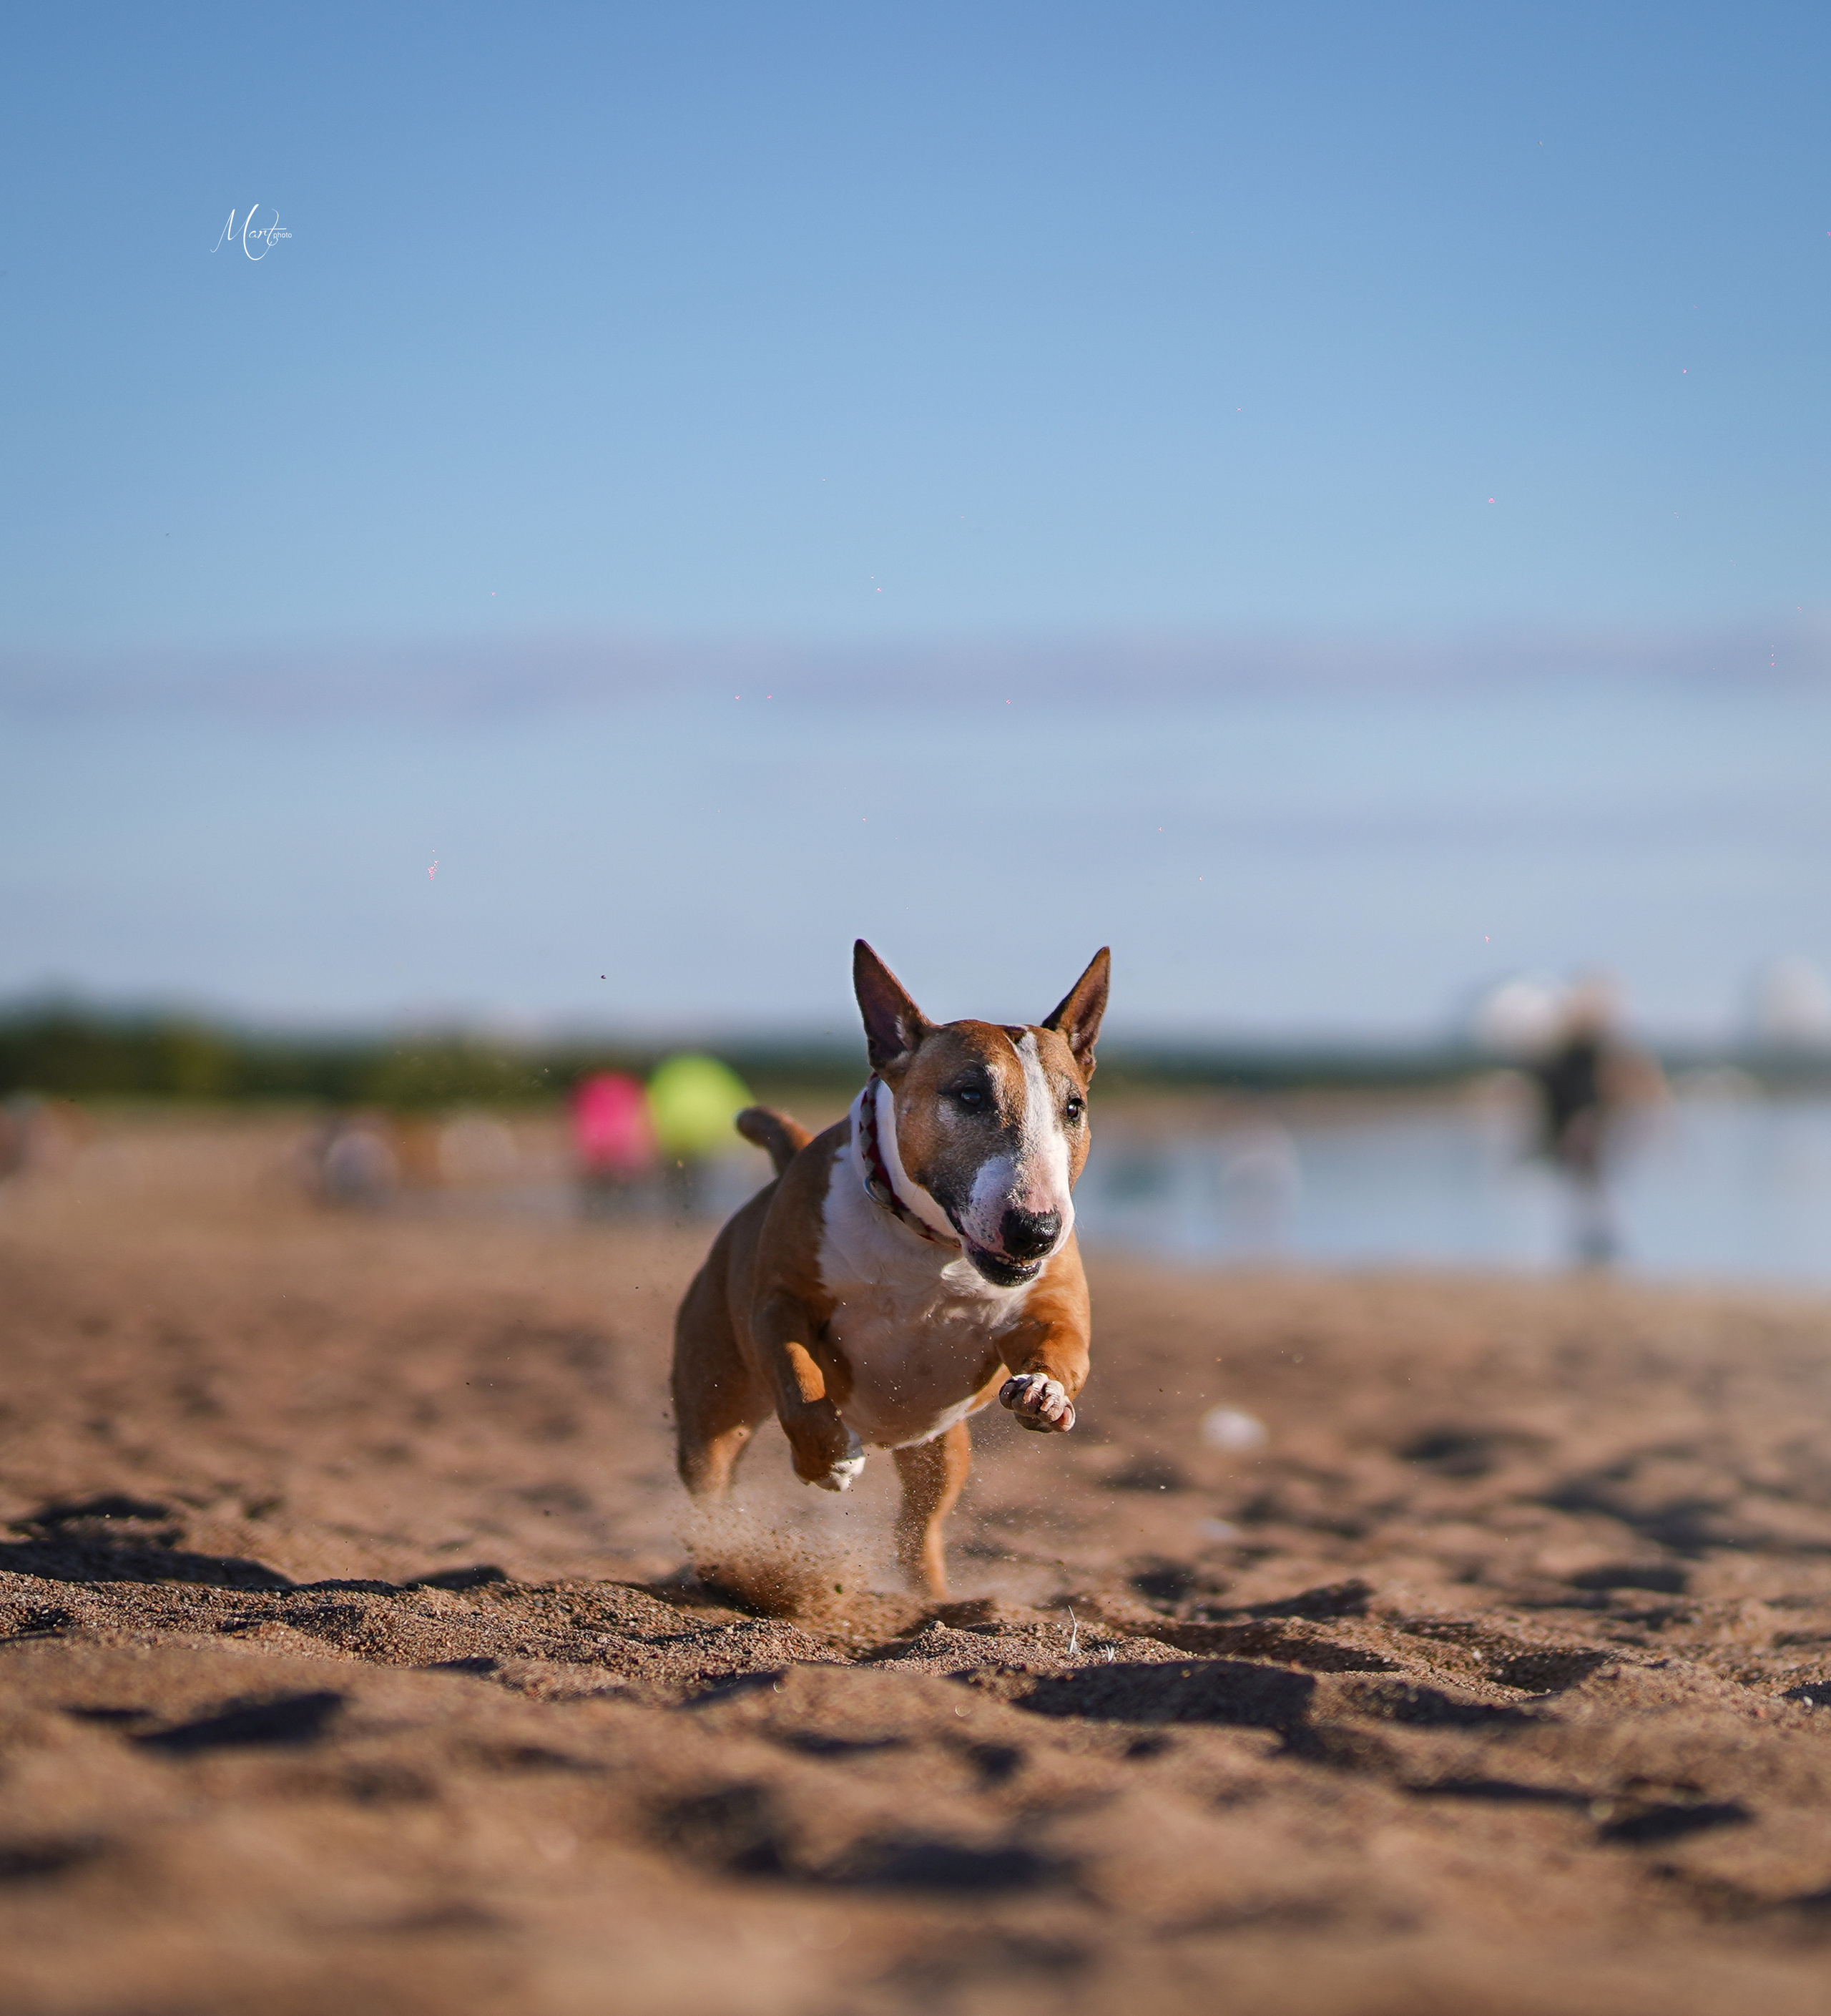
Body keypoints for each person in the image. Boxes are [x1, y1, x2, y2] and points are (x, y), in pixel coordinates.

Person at [1529, 980, 1664, 1266]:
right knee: (1588, 1192)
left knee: (1593, 1192)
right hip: (1580, 1129)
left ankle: (1599, 1250)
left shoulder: (1592, 1055)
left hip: (1587, 1128)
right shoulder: (1572, 1056)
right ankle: (1595, 1249)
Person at [569, 1072, 656, 1218]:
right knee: (623, 1191)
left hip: (598, 1147)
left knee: (600, 1192)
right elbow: (638, 1119)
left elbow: (581, 1122)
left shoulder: (592, 1089)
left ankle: (600, 1218)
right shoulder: (627, 1087)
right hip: (619, 1147)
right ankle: (622, 1217)